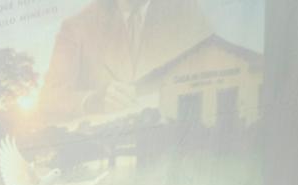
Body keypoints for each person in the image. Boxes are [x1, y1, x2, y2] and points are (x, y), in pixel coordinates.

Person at [37, 0, 213, 124]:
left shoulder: (185, 9)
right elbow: (49, 99)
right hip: (111, 136)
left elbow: (210, 67)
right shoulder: (76, 27)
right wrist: (93, 100)